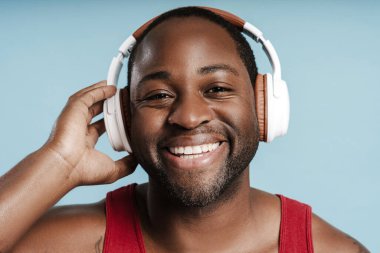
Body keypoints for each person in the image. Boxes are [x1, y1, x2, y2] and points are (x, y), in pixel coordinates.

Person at [0, 6, 369, 253]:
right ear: (124, 120)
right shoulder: (75, 242)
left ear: (264, 107)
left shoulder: (328, 249)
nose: (189, 117)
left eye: (218, 89)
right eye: (158, 95)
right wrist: (58, 162)